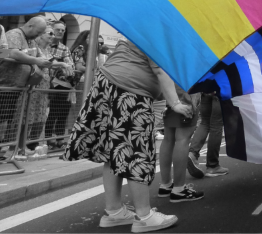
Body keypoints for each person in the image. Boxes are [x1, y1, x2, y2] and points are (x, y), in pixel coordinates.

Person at [64, 39, 192, 231]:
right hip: (130, 92)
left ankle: (114, 212)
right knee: (136, 152)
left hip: (105, 86)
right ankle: (144, 216)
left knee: (111, 152)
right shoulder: (157, 32)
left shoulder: (137, 28)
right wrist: (175, 104)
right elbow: (159, 71)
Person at [1, 18, 54, 148]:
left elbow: (39, 58)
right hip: (5, 85)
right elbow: (13, 53)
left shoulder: (30, 40)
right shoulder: (14, 34)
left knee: (6, 118)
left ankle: (5, 149)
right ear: (30, 25)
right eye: (39, 31)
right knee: (2, 119)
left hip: (16, 86)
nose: (39, 35)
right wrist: (36, 61)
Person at [157, 85, 204, 202]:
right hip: (186, 91)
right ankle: (179, 189)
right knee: (183, 139)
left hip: (169, 92)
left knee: (169, 138)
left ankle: (166, 185)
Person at [24, 26, 56, 152]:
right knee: (29, 113)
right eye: (50, 33)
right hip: (33, 84)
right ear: (41, 34)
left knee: (41, 114)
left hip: (44, 86)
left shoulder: (48, 49)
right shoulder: (34, 46)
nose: (53, 36)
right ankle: (22, 142)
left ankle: (33, 141)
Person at [46, 21, 75, 149]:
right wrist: (61, 64)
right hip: (43, 82)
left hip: (58, 85)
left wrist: (63, 67)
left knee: (60, 112)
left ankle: (58, 139)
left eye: (63, 30)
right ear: (51, 30)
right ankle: (43, 140)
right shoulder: (43, 44)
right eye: (58, 29)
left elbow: (71, 67)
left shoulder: (64, 48)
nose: (60, 32)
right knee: (44, 113)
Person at [188, 92, 229, 177]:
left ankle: (192, 153)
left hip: (206, 90)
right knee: (216, 125)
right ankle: (212, 166)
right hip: (220, 90)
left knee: (205, 123)